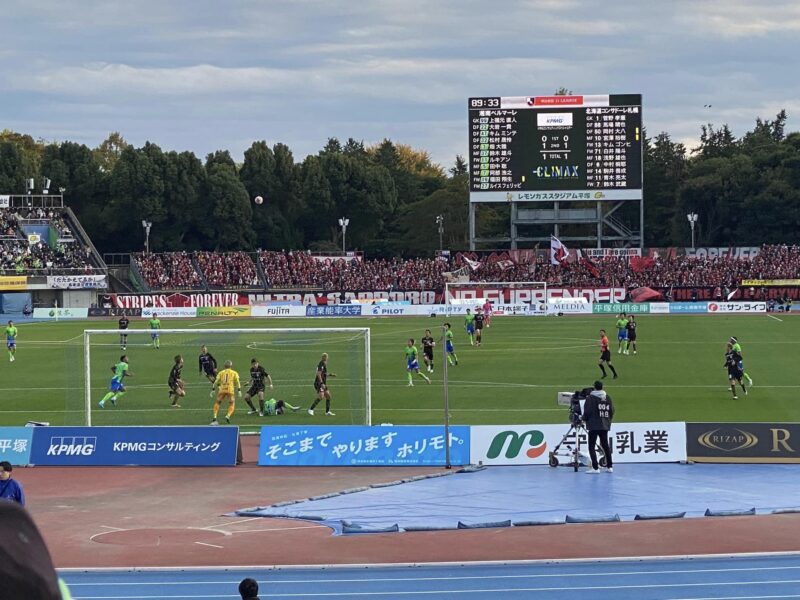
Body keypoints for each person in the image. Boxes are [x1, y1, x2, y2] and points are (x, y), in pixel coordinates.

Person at [583, 380, 614, 474]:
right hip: (604, 425)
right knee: (605, 446)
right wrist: (608, 420)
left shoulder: (590, 398)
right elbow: (612, 410)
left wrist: (583, 418)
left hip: (593, 425)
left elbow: (587, 412)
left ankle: (595, 468)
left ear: (594, 387)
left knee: (591, 446)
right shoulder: (607, 397)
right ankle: (609, 466)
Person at [211, 360, 241, 425]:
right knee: (232, 403)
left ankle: (215, 417)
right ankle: (228, 415)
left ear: (224, 366)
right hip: (230, 390)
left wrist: (213, 389)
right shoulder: (234, 372)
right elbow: (238, 382)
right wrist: (239, 390)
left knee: (218, 402)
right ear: (231, 366)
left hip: (222, 389)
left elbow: (216, 381)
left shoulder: (221, 372)